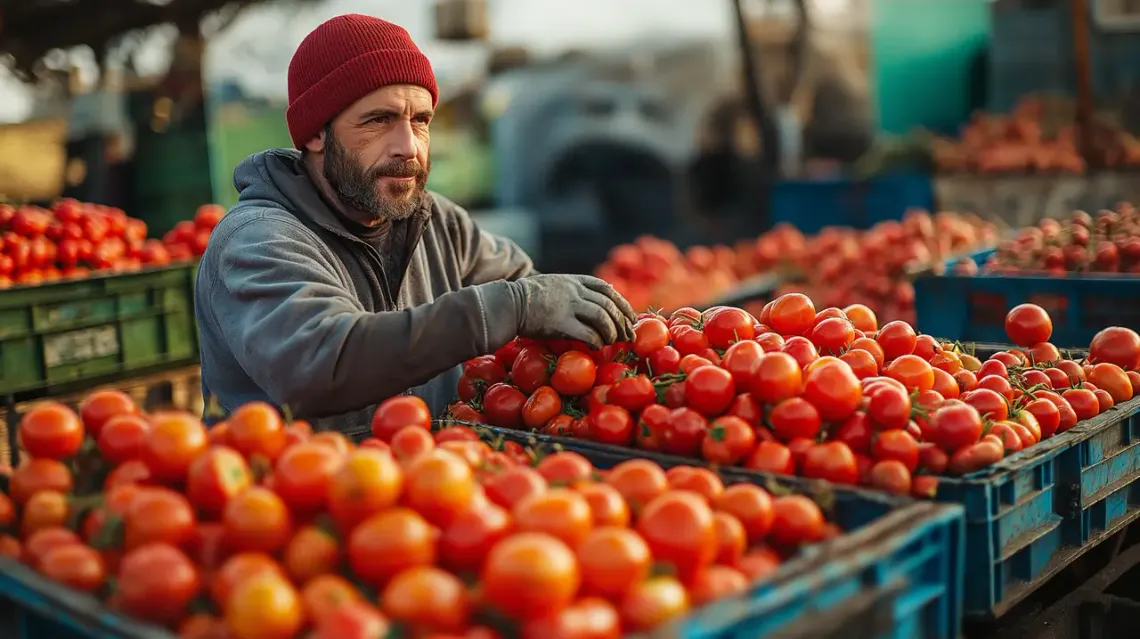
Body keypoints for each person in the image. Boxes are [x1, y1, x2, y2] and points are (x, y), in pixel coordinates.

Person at [195, 14, 636, 437]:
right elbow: (320, 363)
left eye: (420, 121)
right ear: (315, 133)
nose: (408, 147)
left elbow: (537, 302)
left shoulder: (440, 224)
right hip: (296, 499)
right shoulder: (260, 240)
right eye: (378, 120)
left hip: (430, 488)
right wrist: (506, 307)